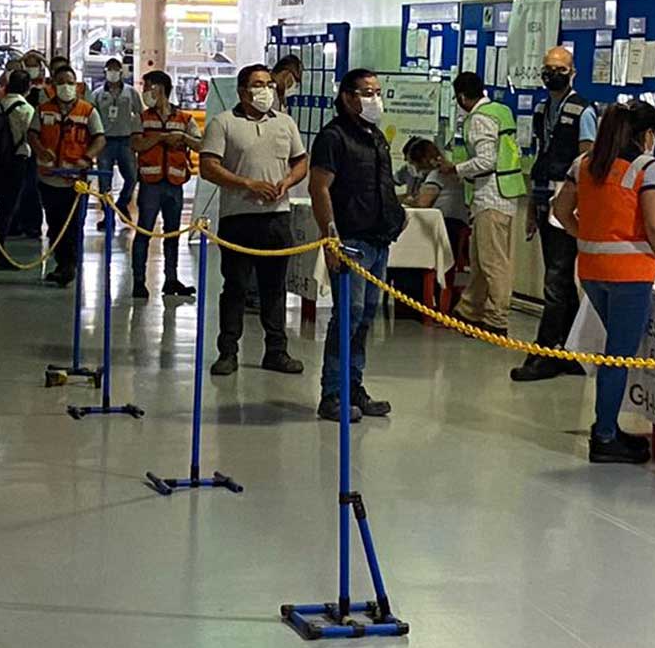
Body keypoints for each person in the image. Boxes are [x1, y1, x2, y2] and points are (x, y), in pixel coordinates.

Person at [552, 99, 655, 464]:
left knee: (612, 352)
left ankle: (609, 426)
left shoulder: (584, 165)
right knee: (618, 355)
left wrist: (583, 236)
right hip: (631, 274)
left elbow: (559, 210)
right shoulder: (646, 168)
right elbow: (654, 223)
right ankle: (604, 434)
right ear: (647, 134)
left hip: (591, 270)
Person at [199, 63, 307, 376]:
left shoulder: (285, 122)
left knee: (274, 288)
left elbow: (301, 161)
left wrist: (287, 182)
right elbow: (208, 166)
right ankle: (228, 351)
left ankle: (276, 350)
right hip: (238, 218)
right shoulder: (224, 123)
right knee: (236, 286)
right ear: (243, 90)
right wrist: (246, 184)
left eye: (270, 84)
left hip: (276, 217)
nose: (266, 90)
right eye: (259, 85)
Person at [309, 70, 404, 422]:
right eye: (367, 92)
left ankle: (354, 386)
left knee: (365, 318)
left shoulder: (375, 135)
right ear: (348, 96)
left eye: (378, 92)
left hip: (378, 238)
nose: (374, 99)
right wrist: (330, 237)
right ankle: (332, 393)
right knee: (347, 317)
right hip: (350, 239)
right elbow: (319, 188)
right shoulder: (333, 138)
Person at [513, 45, 595, 382]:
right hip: (545, 199)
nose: (553, 74)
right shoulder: (541, 109)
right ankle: (573, 349)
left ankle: (545, 350)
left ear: (572, 72)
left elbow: (587, 163)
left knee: (556, 281)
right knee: (559, 278)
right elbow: (539, 159)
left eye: (560, 68)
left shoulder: (582, 110)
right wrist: (533, 207)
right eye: (548, 67)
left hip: (569, 206)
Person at [444, 71, 524, 336]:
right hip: (503, 194)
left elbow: (485, 161)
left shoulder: (479, 118)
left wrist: (455, 169)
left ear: (462, 97)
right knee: (480, 260)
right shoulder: (500, 111)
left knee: (493, 263)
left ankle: (497, 318)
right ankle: (469, 310)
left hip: (491, 196)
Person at [27, 63, 104, 287]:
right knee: (55, 224)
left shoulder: (87, 111)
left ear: (77, 85)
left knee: (73, 225)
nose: (66, 87)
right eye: (61, 83)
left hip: (76, 181)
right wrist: (41, 150)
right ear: (52, 85)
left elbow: (99, 138)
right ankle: (63, 263)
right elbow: (32, 134)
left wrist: (87, 158)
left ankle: (70, 264)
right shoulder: (42, 110)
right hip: (49, 177)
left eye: (70, 83)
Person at [128, 69, 199, 299]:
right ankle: (139, 281)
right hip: (150, 184)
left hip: (175, 184)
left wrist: (183, 139)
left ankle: (171, 279)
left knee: (172, 234)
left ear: (160, 88)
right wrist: (159, 138)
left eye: (148, 86)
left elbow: (200, 144)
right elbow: (136, 145)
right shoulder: (142, 118)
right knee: (144, 232)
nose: (146, 91)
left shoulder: (184, 119)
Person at [0, 68, 38, 247]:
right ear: (28, 87)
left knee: (0, 203)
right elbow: (30, 136)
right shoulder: (26, 109)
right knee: (8, 207)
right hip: (16, 161)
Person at [92, 57, 141, 225]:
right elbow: (92, 117)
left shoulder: (131, 92)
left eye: (116, 69)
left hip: (126, 141)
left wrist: (138, 136)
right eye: (110, 69)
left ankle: (122, 203)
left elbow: (140, 114)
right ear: (105, 72)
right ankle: (108, 216)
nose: (113, 73)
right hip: (105, 142)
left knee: (132, 177)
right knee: (104, 182)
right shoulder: (97, 94)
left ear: (121, 72)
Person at [398, 138, 469, 255]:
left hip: (446, 227)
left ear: (422, 161)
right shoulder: (450, 173)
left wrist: (407, 200)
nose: (413, 168)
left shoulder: (436, 175)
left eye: (413, 163)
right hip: (457, 225)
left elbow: (422, 203)